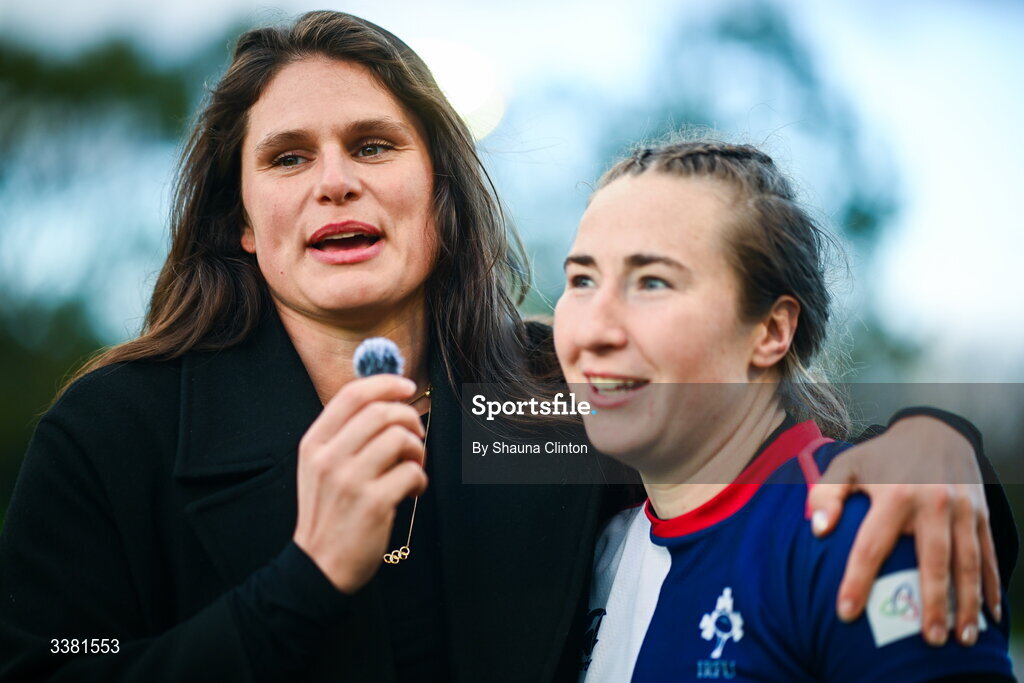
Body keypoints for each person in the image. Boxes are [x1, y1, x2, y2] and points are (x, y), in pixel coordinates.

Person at [0, 11, 1014, 683]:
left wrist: (935, 436)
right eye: (288, 157)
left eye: (373, 144)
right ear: (243, 222)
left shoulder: (549, 399)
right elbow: (60, 659)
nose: (334, 181)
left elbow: (768, 458)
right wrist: (300, 582)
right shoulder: (116, 431)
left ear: (436, 193)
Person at [555, 138, 1013, 681]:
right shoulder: (597, 549)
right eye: (582, 280)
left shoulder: (871, 530)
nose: (593, 329)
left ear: (772, 330)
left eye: (653, 282)